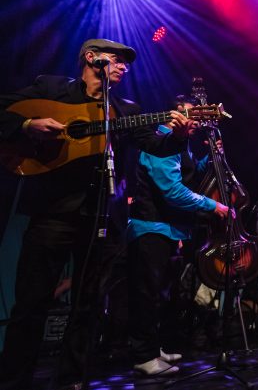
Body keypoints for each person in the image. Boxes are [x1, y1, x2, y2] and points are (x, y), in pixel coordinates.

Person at [0, 39, 191, 390]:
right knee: (31, 304)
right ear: (91, 58)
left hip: (99, 219)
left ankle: (72, 380)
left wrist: (179, 137)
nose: (124, 67)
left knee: (88, 307)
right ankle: (14, 381)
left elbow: (155, 144)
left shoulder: (124, 108)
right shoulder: (51, 88)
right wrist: (28, 125)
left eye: (126, 63)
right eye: (116, 60)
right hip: (52, 214)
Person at [126, 95, 232, 377]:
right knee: (147, 293)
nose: (195, 124)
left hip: (168, 228)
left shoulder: (179, 144)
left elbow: (189, 175)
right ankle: (142, 355)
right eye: (191, 117)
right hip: (151, 227)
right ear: (176, 115)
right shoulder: (160, 142)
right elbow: (172, 191)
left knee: (161, 293)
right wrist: (214, 206)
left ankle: (152, 348)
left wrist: (210, 158)